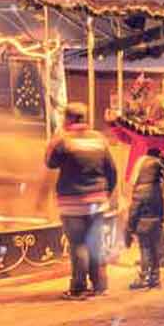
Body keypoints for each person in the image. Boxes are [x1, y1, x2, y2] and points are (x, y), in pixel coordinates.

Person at [45, 103, 118, 300]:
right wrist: (106, 193)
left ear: (67, 119)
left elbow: (49, 162)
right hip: (97, 201)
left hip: (72, 203)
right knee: (95, 243)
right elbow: (112, 170)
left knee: (77, 244)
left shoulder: (64, 140)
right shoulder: (99, 140)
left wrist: (57, 136)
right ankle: (100, 285)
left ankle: (78, 287)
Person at [126, 145, 164, 289]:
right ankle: (155, 277)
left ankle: (143, 277)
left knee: (145, 249)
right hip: (156, 223)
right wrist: (162, 221)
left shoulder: (140, 189)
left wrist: (129, 228)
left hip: (142, 224)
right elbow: (161, 207)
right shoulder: (157, 188)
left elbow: (134, 210)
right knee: (155, 248)